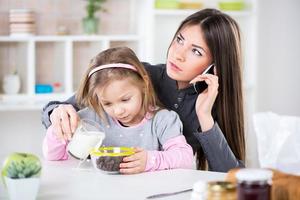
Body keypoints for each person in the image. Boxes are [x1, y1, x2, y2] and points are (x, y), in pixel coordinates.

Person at [42, 8, 245, 172]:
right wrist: (57, 113)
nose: (178, 54)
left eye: (196, 51)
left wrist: (204, 115)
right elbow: (63, 108)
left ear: (215, 65)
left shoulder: (211, 101)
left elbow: (230, 175)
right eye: (179, 40)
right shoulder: (140, 75)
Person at [43, 47, 194, 174]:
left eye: (125, 99)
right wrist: (59, 129)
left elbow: (185, 158)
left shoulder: (162, 120)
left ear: (144, 84)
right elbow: (54, 156)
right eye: (107, 103)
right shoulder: (94, 117)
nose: (118, 111)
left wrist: (150, 160)